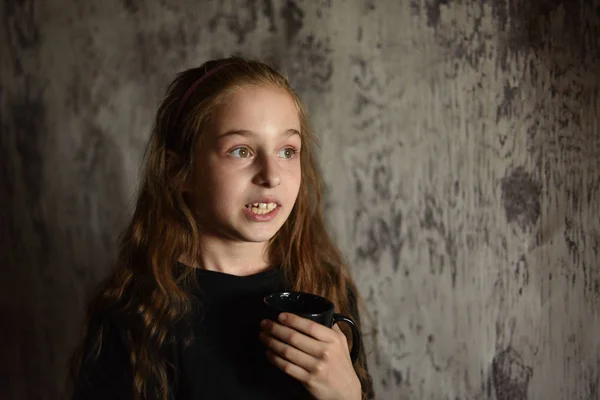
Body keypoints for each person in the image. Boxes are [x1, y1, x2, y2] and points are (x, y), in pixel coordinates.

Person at [69, 56, 374, 400]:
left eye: (287, 151)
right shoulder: (136, 315)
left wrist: (348, 395)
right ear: (178, 171)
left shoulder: (323, 283)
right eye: (241, 150)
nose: (271, 175)